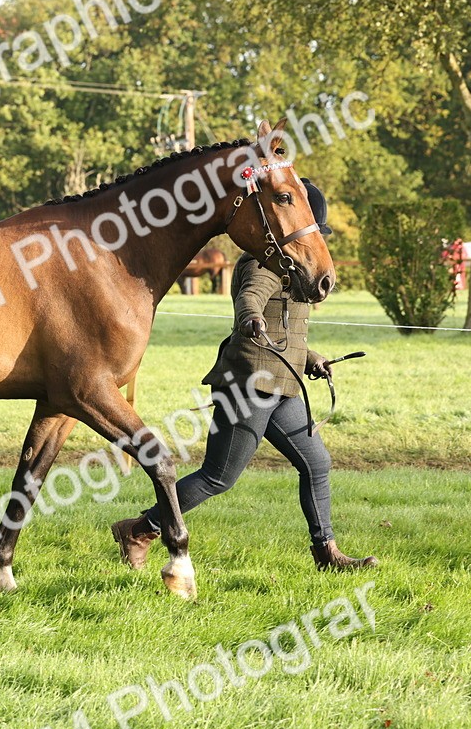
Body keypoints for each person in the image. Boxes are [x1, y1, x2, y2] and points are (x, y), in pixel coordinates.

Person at [110, 178, 377, 573]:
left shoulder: (295, 268)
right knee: (218, 478)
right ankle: (140, 529)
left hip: (282, 386)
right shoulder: (264, 261)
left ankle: (327, 553)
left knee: (316, 463)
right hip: (249, 385)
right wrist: (249, 316)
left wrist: (311, 359)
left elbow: (286, 332)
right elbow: (251, 295)